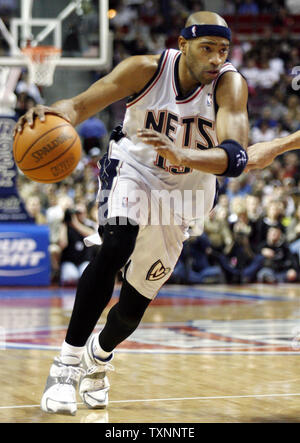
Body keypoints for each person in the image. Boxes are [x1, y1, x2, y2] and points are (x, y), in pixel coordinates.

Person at [15, 11, 249, 415]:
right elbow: (81, 104)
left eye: (222, 51)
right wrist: (50, 116)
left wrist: (182, 154)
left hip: (187, 191)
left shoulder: (230, 85)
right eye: (207, 48)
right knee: (116, 243)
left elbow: (235, 155)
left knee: (135, 303)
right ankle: (66, 365)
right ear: (183, 45)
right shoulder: (145, 69)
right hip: (134, 168)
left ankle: (99, 356)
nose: (215, 59)